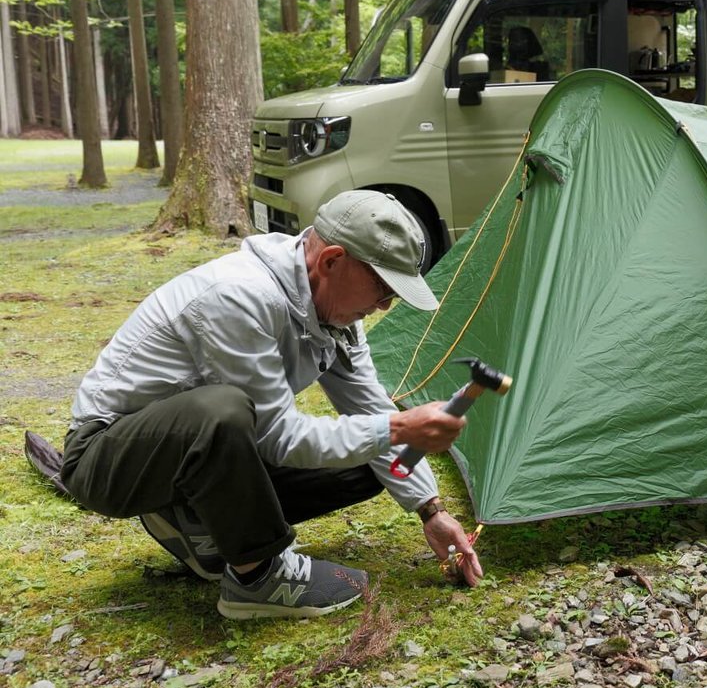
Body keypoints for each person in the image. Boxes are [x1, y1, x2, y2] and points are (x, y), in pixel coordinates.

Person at [61, 190, 484, 620]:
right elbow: (277, 435)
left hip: (189, 453)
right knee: (223, 410)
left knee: (366, 458)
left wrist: (431, 509)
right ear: (332, 260)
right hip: (106, 458)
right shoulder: (239, 296)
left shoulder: (335, 315)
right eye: (380, 286)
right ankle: (258, 578)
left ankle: (196, 524)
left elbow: (370, 409)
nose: (384, 306)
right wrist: (398, 428)